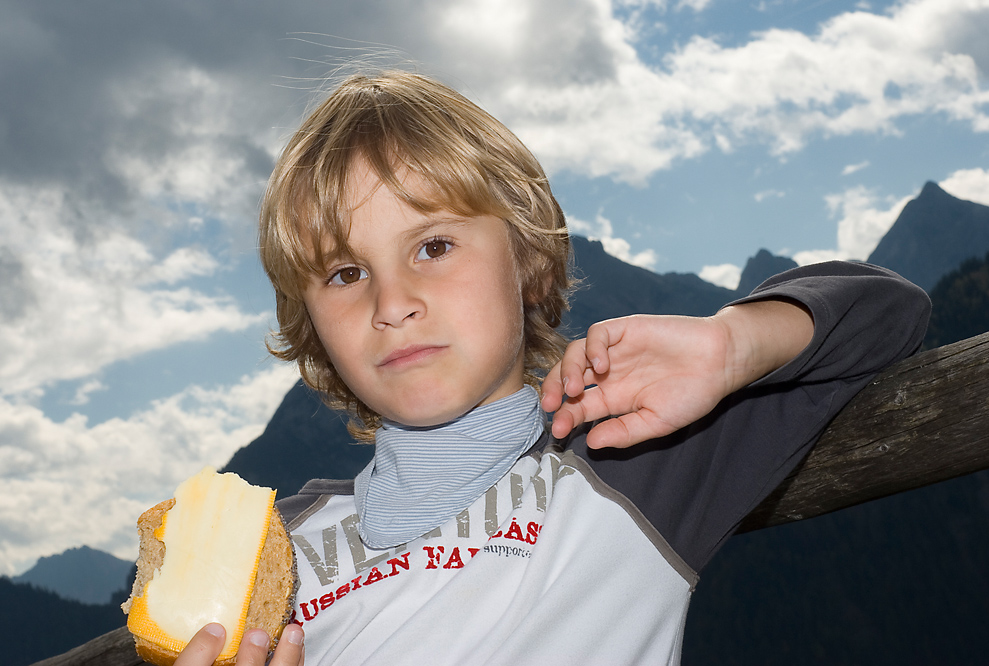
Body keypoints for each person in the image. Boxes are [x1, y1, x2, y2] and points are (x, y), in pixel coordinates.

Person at [178, 70, 930, 665]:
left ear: (528, 262)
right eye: (344, 274)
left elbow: (886, 309)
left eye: (432, 247)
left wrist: (729, 344)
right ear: (312, 327)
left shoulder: (627, 461)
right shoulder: (268, 552)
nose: (392, 302)